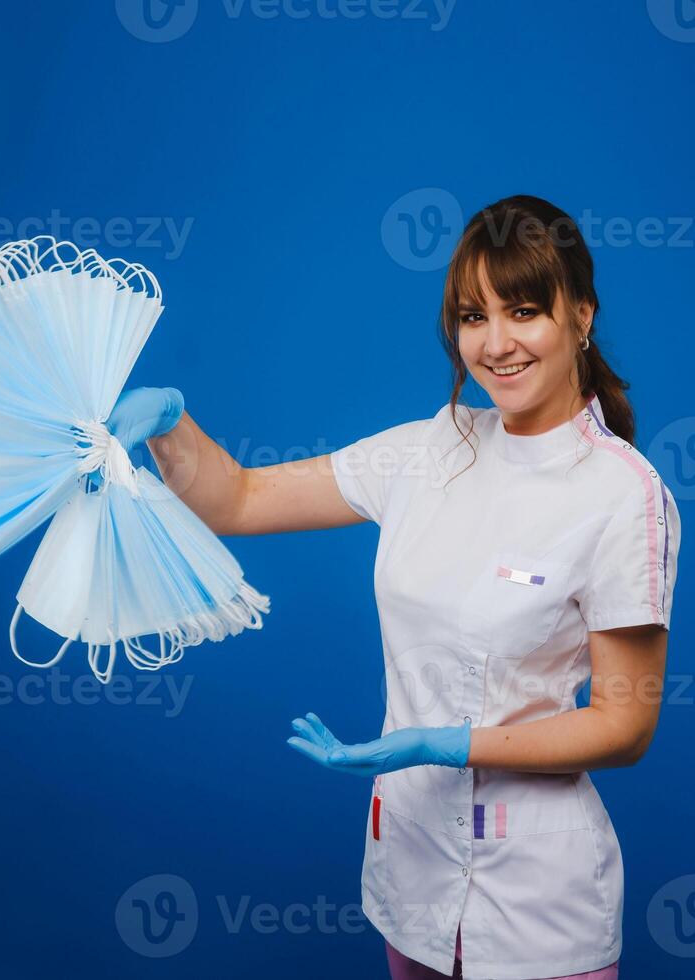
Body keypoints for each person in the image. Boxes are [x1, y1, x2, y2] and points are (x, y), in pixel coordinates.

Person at [107, 195, 680, 979]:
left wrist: (449, 744)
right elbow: (238, 499)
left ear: (581, 316)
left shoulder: (625, 494)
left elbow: (626, 725)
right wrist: (171, 421)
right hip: (409, 878)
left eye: (523, 311)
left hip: (540, 906)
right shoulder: (426, 451)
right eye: (473, 317)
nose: (497, 343)